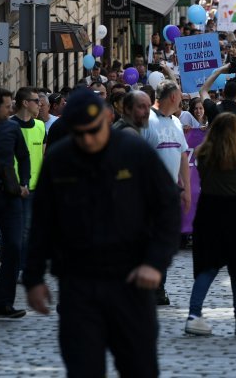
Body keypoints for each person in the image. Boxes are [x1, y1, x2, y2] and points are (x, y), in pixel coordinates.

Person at [24, 89, 180, 377]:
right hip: (78, 283)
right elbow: (43, 221)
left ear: (107, 120)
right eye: (79, 133)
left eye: (93, 131)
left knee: (139, 367)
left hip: (131, 281)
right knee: (83, 368)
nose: (87, 139)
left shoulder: (134, 153)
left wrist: (155, 263)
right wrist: (33, 277)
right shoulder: (60, 160)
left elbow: (168, 209)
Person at [184, 113, 236, 337]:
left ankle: (194, 314)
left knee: (208, 266)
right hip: (235, 213)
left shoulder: (203, 153)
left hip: (209, 211)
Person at [141, 80, 192, 305]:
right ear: (172, 97)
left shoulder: (176, 123)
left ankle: (159, 287)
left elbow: (182, 156)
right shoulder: (146, 122)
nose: (182, 99)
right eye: (180, 96)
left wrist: (186, 190)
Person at [0, 87, 30, 319]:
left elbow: (23, 157)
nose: (11, 109)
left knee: (14, 246)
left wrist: (24, 182)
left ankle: (4, 302)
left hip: (10, 196)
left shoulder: (12, 128)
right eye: (7, 106)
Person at [10, 87, 47, 278]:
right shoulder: (8, 125)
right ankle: (14, 267)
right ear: (25, 103)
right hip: (11, 187)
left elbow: (43, 155)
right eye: (36, 101)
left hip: (34, 188)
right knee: (14, 233)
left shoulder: (40, 126)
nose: (40, 104)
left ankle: (22, 268)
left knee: (28, 231)